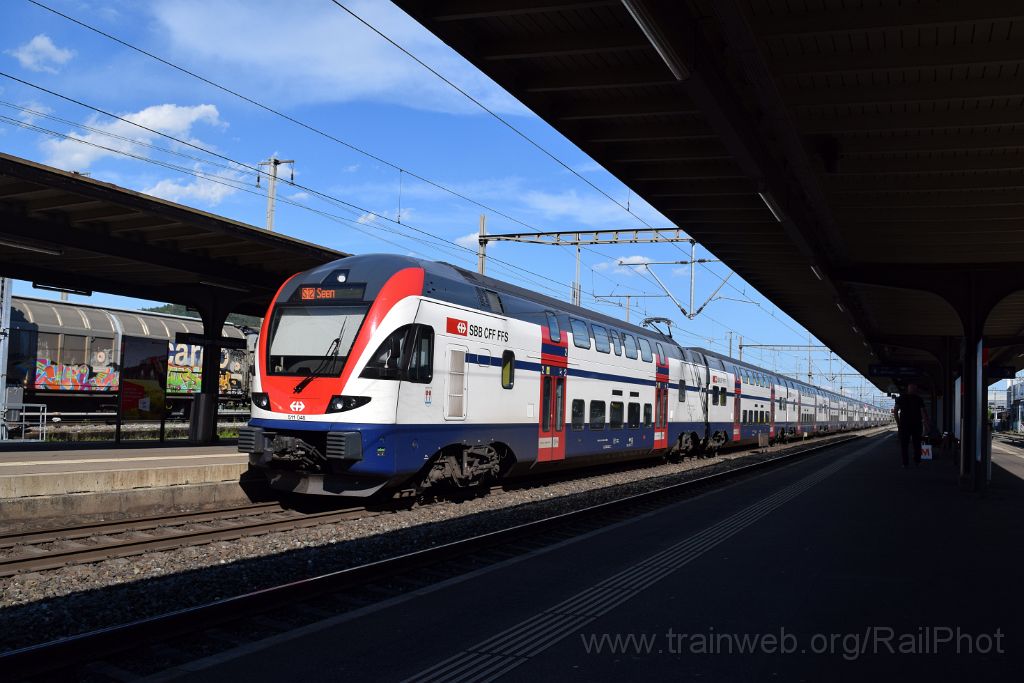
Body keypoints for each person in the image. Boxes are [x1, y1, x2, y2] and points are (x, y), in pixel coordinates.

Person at [894, 383, 928, 468]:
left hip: (905, 425)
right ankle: (917, 461)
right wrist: (925, 424)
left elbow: (895, 411)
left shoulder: (901, 398)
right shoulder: (919, 399)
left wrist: (898, 424)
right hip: (916, 425)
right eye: (914, 388)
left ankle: (905, 463)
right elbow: (923, 412)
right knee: (917, 444)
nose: (914, 390)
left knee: (904, 445)